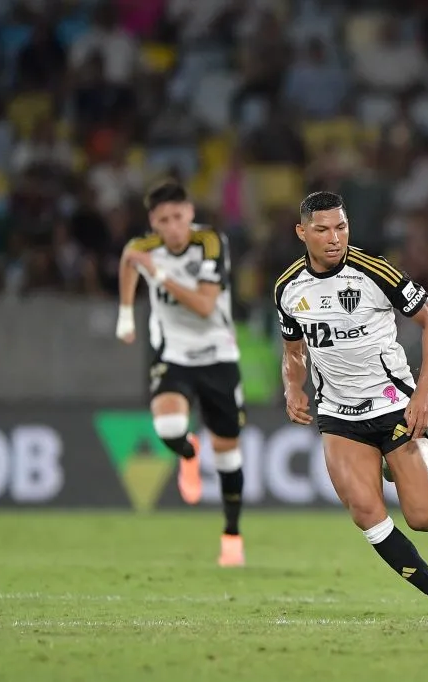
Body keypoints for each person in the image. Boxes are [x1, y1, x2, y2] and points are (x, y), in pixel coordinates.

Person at [275, 191, 428, 626]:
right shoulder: (288, 288)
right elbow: (293, 349)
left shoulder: (375, 272)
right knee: (366, 512)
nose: (334, 238)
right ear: (302, 232)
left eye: (341, 227)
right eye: (323, 229)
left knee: (424, 519)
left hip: (393, 406)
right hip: (338, 414)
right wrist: (293, 386)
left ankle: (391, 463)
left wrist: (424, 392)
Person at [117, 180, 246, 567]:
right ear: (153, 223)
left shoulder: (210, 243)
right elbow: (128, 260)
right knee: (170, 428)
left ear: (190, 214)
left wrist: (158, 276)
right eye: (163, 220)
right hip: (174, 354)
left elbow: (205, 306)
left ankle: (231, 535)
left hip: (218, 354)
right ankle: (188, 453)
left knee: (227, 455)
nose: (172, 226)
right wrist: (125, 313)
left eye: (177, 217)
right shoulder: (145, 248)